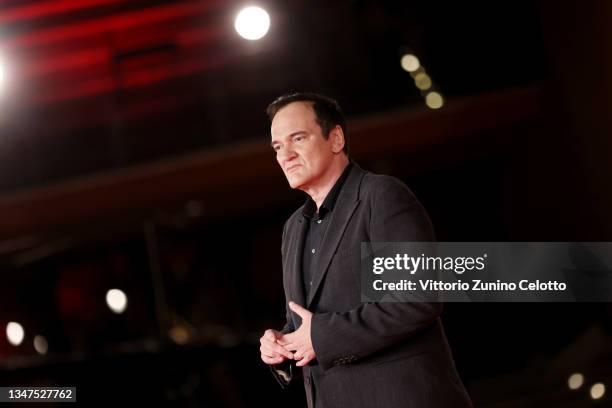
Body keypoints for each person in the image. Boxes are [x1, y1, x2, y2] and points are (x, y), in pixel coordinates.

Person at [259, 92, 472, 408]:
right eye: (278, 146)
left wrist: (320, 337)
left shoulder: (382, 196)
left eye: (298, 139)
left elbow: (418, 298)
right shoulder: (292, 229)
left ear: (335, 139)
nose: (285, 155)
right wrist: (282, 344)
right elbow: (309, 324)